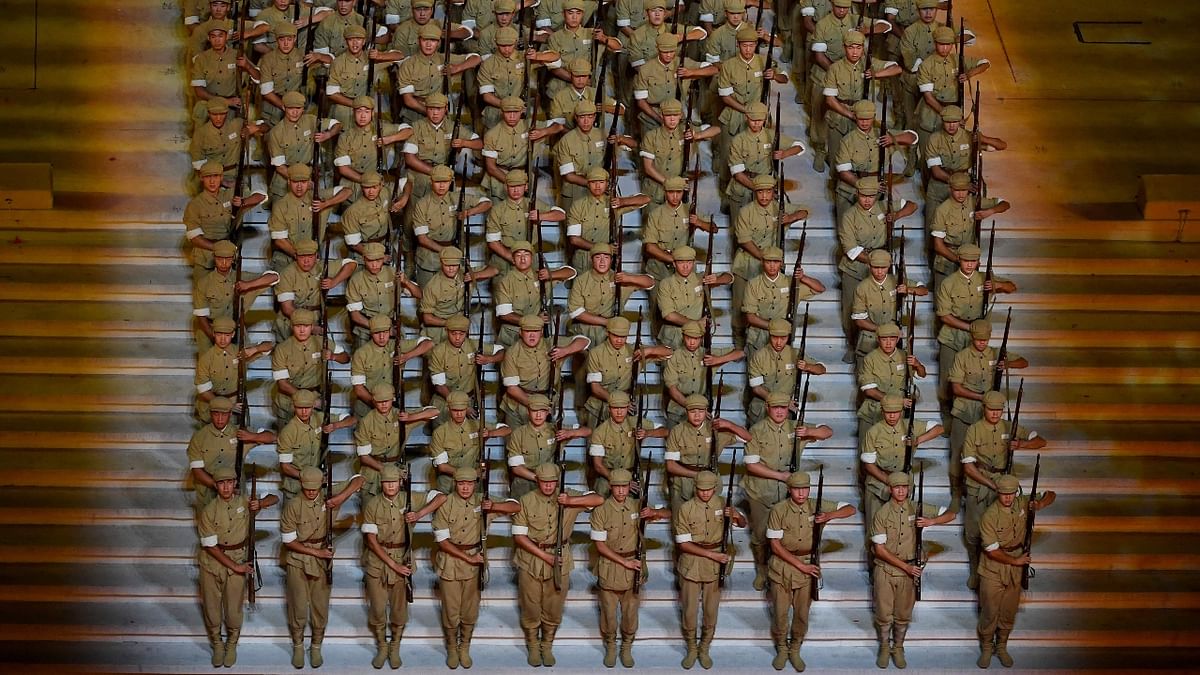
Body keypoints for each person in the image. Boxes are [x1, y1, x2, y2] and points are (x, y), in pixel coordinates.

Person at [512, 463, 605, 666]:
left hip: (560, 557)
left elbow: (599, 499)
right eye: (544, 481)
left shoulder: (567, 495)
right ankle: (533, 645)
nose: (548, 486)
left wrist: (571, 501)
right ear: (537, 480)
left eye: (552, 482)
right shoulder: (526, 501)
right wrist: (545, 557)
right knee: (531, 606)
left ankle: (547, 644)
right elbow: (519, 537)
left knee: (554, 606)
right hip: (531, 559)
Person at [432, 465, 522, 668]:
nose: (465, 488)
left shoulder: (482, 502)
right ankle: (452, 648)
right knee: (451, 609)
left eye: (469, 484)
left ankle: (464, 646)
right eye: (461, 483)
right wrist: (468, 558)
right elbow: (443, 542)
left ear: (475, 484)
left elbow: (516, 507)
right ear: (455, 484)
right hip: (451, 562)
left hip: (475, 561)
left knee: (470, 609)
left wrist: (494, 507)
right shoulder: (445, 504)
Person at [765, 471, 856, 671]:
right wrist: (800, 566)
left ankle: (795, 648)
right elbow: (775, 545)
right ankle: (782, 647)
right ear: (789, 490)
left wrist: (828, 516)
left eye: (805, 489)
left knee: (802, 613)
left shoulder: (816, 505)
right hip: (783, 565)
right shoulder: (779, 510)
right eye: (797, 489)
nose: (801, 494)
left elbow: (851, 509)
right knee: (780, 612)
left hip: (808, 563)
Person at [744, 392, 834, 591]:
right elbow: (751, 465)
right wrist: (781, 476)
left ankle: (784, 569)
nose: (779, 411)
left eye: (783, 408)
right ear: (768, 408)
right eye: (775, 407)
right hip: (761, 491)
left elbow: (827, 432)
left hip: (789, 495)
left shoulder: (796, 428)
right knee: (761, 534)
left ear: (788, 409)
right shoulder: (757, 430)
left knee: (787, 535)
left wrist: (809, 432)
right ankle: (762, 569)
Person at [361, 464, 447, 668]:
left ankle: (395, 645)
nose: (390, 486)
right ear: (381, 483)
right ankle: (382, 645)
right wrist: (392, 565)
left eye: (394, 481)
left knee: (399, 609)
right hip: (378, 560)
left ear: (400, 482)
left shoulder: (410, 499)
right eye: (386, 482)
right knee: (378, 607)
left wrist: (419, 514)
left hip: (403, 556)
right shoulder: (372, 505)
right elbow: (371, 540)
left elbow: (442, 497)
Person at [869, 471, 956, 669]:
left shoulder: (916, 508)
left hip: (909, 569)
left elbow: (951, 514)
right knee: (884, 613)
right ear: (890, 489)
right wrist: (906, 567)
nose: (901, 490)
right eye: (897, 487)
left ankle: (898, 647)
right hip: (886, 569)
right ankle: (884, 646)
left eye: (904, 487)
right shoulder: (881, 514)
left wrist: (930, 522)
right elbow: (879, 550)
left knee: (903, 613)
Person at [280, 467, 365, 668]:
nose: (311, 492)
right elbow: (288, 541)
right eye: (307, 488)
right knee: (298, 605)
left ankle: (316, 645)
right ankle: (298, 645)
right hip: (298, 558)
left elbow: (360, 478)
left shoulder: (329, 495)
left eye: (315, 488)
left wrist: (339, 498)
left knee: (320, 605)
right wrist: (317, 553)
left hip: (322, 559)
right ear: (301, 485)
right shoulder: (293, 506)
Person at [961, 391, 1045, 589]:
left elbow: (1041, 440)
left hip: (1005, 482)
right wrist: (992, 485)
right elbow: (968, 467)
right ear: (984, 409)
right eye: (991, 409)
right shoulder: (974, 430)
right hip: (980, 485)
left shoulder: (1010, 426)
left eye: (999, 410)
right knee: (974, 533)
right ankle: (976, 571)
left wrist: (1021, 444)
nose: (995, 414)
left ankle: (1000, 574)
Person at [589, 468, 671, 667]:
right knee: (608, 612)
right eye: (617, 486)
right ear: (610, 487)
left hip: (633, 567)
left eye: (624, 487)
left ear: (629, 487)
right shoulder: (601, 510)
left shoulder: (638, 506)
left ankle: (626, 645)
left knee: (630, 612)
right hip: (610, 567)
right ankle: (610, 645)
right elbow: (600, 546)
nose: (620, 491)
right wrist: (623, 561)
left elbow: (671, 514)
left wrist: (654, 513)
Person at [197, 466, 278, 667]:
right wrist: (237, 567)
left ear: (235, 484)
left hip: (239, 555)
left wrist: (260, 503)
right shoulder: (208, 511)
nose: (226, 487)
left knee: (233, 609)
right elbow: (211, 547)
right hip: (212, 561)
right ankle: (217, 642)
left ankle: (232, 643)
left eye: (229, 482)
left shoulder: (244, 502)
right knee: (212, 608)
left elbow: (274, 498)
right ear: (215, 486)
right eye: (221, 483)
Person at [948, 319, 1029, 511]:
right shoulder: (962, 356)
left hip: (990, 416)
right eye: (978, 339)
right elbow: (956, 388)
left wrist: (1006, 364)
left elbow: (1024, 362)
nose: (982, 342)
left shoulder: (995, 353)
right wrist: (982, 397)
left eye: (985, 339)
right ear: (972, 337)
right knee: (958, 459)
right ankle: (957, 494)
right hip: (965, 412)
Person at [976, 475, 1056, 669]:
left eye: (1011, 493)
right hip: (993, 568)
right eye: (1004, 494)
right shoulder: (989, 516)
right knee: (989, 610)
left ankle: (1001, 646)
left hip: (1016, 566)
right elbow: (992, 550)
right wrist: (1016, 561)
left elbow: (1051, 494)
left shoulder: (1021, 503)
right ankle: (987, 647)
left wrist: (1039, 504)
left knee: (1008, 610)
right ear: (998, 493)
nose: (1008, 498)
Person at [673, 469, 747, 669]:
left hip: (715, 565)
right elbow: (683, 544)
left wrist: (736, 515)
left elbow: (743, 524)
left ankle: (704, 647)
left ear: (715, 488)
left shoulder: (722, 503)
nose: (705, 493)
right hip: (693, 562)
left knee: (710, 609)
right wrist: (713, 555)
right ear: (695, 488)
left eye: (709, 489)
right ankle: (691, 646)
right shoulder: (686, 508)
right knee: (689, 609)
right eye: (701, 489)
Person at [934, 243, 1016, 413]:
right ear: (959, 260)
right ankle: (949, 417)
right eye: (965, 260)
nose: (969, 264)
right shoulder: (948, 283)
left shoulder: (984, 278)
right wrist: (970, 327)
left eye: (973, 261)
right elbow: (944, 316)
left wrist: (996, 286)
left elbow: (1011, 287)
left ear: (978, 261)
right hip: (952, 336)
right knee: (947, 382)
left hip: (977, 338)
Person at [732, 175, 809, 343]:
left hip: (772, 266)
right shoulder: (746, 212)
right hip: (747, 265)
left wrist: (791, 217)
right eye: (760, 192)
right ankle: (739, 342)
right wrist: (768, 259)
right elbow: (744, 240)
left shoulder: (779, 208)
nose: (764, 196)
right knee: (741, 306)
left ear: (774, 192)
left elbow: (805, 210)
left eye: (768, 192)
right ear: (755, 193)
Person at [837, 177, 917, 338]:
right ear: (857, 194)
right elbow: (851, 250)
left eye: (871, 196)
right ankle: (853, 345)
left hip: (882, 265)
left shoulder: (883, 206)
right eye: (863, 196)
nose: (867, 200)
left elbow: (912, 205)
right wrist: (878, 262)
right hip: (856, 268)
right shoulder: (849, 216)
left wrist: (896, 215)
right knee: (851, 308)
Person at [860, 394, 943, 540]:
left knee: (900, 528)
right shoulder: (873, 432)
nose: (892, 416)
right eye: (888, 412)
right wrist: (890, 481)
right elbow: (869, 465)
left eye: (896, 412)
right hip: (879, 483)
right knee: (875, 532)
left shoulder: (909, 426)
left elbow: (939, 428)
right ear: (882, 411)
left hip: (903, 483)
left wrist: (918, 440)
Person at [924, 108, 1008, 229]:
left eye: (955, 121)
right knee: (933, 226)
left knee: (961, 225)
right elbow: (936, 172)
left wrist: (981, 138)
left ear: (960, 121)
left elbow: (1001, 145)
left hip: (964, 187)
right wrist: (961, 184)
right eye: (948, 122)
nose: (952, 125)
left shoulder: (969, 137)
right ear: (942, 121)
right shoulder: (935, 139)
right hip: (939, 188)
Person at [664, 395, 751, 511]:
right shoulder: (677, 431)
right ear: (686, 412)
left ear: (706, 412)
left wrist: (729, 424)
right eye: (692, 411)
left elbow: (748, 437)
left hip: (711, 485)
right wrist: (697, 475)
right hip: (684, 484)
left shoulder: (715, 429)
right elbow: (671, 466)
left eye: (701, 411)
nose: (697, 415)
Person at [184, 161, 266, 283]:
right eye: (208, 177)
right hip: (205, 259)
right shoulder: (195, 205)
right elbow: (194, 237)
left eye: (216, 176)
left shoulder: (229, 195)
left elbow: (262, 196)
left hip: (228, 260)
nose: (212, 181)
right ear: (201, 178)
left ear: (221, 177)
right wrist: (220, 249)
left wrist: (243, 202)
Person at [582, 316, 672, 426]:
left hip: (625, 409)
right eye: (615, 335)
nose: (619, 340)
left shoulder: (634, 351)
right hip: (599, 409)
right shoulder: (596, 353)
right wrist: (619, 403)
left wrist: (650, 350)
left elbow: (670, 352)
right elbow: (595, 388)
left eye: (623, 336)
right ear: (607, 333)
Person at [930, 171, 1010, 289]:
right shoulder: (942, 210)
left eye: (964, 190)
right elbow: (938, 245)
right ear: (950, 189)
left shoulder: (974, 201)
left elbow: (1005, 204)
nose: (961, 194)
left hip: (969, 258)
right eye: (957, 190)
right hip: (948, 259)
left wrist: (989, 211)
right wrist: (959, 259)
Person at [566, 244, 656, 346]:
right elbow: (576, 312)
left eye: (606, 257)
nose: (602, 261)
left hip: (612, 334)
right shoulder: (581, 281)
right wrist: (606, 322)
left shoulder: (620, 277)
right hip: (585, 332)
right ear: (591, 260)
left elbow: (650, 283)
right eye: (598, 257)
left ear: (611, 260)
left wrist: (630, 278)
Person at [270, 308, 350, 423]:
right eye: (298, 326)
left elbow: (346, 358)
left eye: (306, 326)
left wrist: (333, 356)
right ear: (292, 327)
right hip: (288, 403)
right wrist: (309, 401)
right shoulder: (282, 349)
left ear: (312, 327)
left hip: (315, 399)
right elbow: (283, 384)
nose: (302, 330)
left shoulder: (322, 342)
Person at [266, 164, 350, 272]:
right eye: (295, 182)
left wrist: (326, 204)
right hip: (288, 258)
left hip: (312, 259)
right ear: (288, 182)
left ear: (309, 182)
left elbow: (347, 191)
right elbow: (279, 241)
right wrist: (301, 257)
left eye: (304, 182)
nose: (300, 186)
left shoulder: (319, 197)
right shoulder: (280, 206)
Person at [743, 246, 825, 355]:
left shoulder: (791, 283)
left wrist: (803, 277)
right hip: (759, 338)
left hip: (783, 340)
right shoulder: (753, 284)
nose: (772, 266)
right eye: (768, 261)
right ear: (762, 262)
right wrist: (776, 328)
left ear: (781, 263)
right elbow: (751, 317)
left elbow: (820, 288)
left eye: (776, 262)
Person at [850, 248, 926, 365]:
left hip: (894, 341)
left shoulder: (897, 280)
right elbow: (859, 320)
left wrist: (908, 289)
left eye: (883, 268)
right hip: (870, 340)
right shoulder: (862, 288)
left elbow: (923, 290)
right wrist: (884, 331)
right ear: (869, 266)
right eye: (876, 268)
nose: (880, 272)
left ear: (889, 266)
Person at [746, 319, 827, 428]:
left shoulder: (796, 353)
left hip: (785, 413)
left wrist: (807, 366)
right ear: (769, 335)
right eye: (775, 337)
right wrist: (783, 402)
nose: (779, 342)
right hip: (761, 411)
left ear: (788, 337)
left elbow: (822, 369)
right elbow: (756, 388)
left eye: (783, 338)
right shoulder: (759, 356)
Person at [272, 238, 358, 342]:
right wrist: (309, 326)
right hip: (290, 322)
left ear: (316, 256)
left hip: (315, 319)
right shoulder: (287, 274)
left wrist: (333, 282)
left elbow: (351, 264)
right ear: (295, 256)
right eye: (302, 256)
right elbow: (287, 308)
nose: (306, 261)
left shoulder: (321, 267)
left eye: (310, 256)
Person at [661, 321, 744, 427]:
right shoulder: (674, 357)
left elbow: (741, 353)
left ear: (701, 338)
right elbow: (672, 390)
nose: (691, 342)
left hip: (702, 411)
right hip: (678, 410)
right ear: (683, 336)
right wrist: (693, 407)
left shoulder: (709, 353)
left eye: (696, 338)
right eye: (688, 338)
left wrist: (718, 360)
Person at [495, 238, 576, 346]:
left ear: (532, 258)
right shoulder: (505, 282)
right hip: (512, 337)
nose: (523, 259)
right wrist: (534, 320)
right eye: (518, 255)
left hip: (536, 336)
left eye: (526, 255)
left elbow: (571, 272)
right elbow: (504, 315)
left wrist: (550, 275)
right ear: (513, 260)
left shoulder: (541, 275)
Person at [350, 315, 434, 418]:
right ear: (371, 333)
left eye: (385, 332)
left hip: (391, 407)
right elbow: (359, 389)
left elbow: (428, 343)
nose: (381, 337)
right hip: (367, 408)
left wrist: (407, 356)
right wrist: (379, 406)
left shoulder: (396, 345)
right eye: (377, 333)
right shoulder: (361, 354)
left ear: (390, 331)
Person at [485, 173, 567, 277]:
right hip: (505, 258)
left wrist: (541, 216)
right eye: (512, 186)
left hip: (530, 257)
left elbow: (561, 215)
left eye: (519, 186)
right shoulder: (497, 210)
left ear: (526, 187)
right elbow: (492, 242)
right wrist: (513, 258)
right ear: (506, 187)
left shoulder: (534, 204)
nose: (516, 190)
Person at [429, 391, 513, 493]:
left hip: (473, 485)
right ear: (449, 409)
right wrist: (469, 474)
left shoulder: (477, 424)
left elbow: (507, 429)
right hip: (449, 484)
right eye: (455, 410)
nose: (459, 414)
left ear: (467, 409)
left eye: (462, 410)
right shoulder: (440, 433)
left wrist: (490, 433)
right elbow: (442, 466)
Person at [587, 392, 668, 495]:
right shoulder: (600, 431)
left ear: (627, 408)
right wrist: (620, 481)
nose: (619, 412)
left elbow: (666, 431)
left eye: (623, 408)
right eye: (616, 408)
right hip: (608, 474)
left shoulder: (635, 422)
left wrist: (647, 433)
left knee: (638, 503)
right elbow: (598, 465)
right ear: (609, 409)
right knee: (601, 496)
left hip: (631, 473)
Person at [194, 316, 272, 423]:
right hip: (212, 404)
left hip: (235, 402)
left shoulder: (240, 352)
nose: (223, 339)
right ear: (213, 334)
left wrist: (254, 349)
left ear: (233, 334)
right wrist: (228, 405)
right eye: (219, 334)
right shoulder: (206, 359)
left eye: (227, 335)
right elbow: (204, 391)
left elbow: (269, 346)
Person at [856, 322, 927, 438]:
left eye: (892, 339)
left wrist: (917, 365)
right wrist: (899, 401)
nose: (888, 343)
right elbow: (869, 390)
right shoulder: (870, 359)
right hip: (874, 411)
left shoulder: (904, 355)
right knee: (867, 448)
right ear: (878, 339)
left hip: (897, 414)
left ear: (898, 339)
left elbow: (922, 375)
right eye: (884, 339)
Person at [656, 245, 733, 350]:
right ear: (674, 264)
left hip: (696, 336)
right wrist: (696, 324)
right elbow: (669, 315)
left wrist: (717, 280)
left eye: (689, 262)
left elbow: (729, 277)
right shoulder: (666, 284)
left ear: (694, 263)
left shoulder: (701, 279)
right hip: (673, 336)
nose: (686, 266)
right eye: (681, 262)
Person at [418, 245, 499, 344]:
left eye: (455, 265)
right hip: (439, 331)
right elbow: (427, 319)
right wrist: (452, 324)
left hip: (460, 327)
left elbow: (495, 270)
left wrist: (475, 276)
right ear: (441, 263)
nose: (451, 269)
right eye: (447, 265)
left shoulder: (464, 273)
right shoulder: (432, 286)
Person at [187, 397, 256, 509]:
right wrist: (220, 487)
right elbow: (197, 471)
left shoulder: (238, 432)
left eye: (224, 415)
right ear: (210, 414)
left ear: (230, 414)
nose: (219, 419)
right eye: (216, 414)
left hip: (235, 491)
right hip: (208, 491)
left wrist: (252, 436)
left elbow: (272, 437)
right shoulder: (199, 437)